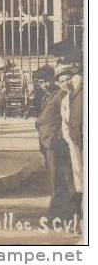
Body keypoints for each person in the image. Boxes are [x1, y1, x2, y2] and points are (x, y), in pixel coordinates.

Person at [35, 64, 75, 221]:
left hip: (56, 144)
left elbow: (66, 119)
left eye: (46, 81)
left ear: (53, 80)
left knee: (59, 179)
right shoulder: (47, 96)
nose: (43, 85)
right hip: (47, 144)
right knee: (54, 178)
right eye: (40, 82)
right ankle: (59, 212)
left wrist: (57, 137)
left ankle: (58, 214)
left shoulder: (60, 96)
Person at [57, 63, 83, 218]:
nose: (65, 83)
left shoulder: (82, 93)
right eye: (62, 81)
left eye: (68, 79)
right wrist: (70, 141)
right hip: (74, 144)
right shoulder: (65, 100)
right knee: (79, 176)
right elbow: (65, 125)